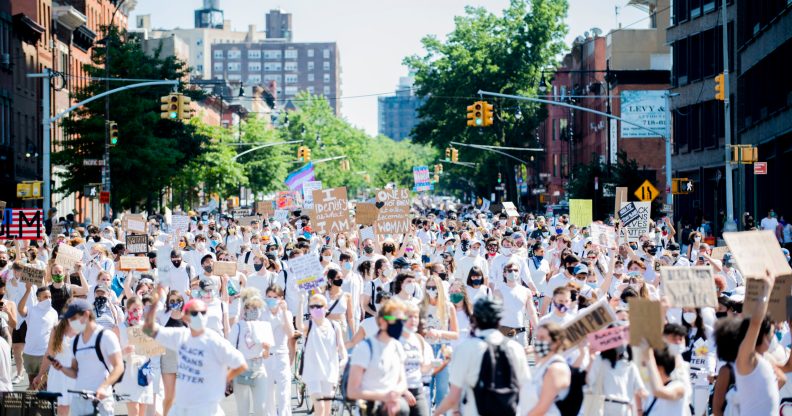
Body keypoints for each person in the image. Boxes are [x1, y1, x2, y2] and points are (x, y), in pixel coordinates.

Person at [142, 293, 247, 416]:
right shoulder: (181, 336)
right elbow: (149, 329)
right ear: (185, 317)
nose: (199, 316)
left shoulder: (215, 341)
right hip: (182, 407)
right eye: (194, 313)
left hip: (207, 408)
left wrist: (223, 380)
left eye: (203, 313)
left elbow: (241, 364)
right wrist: (155, 302)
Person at [433, 298, 532, 416]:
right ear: (499, 320)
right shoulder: (516, 348)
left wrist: (436, 413)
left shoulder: (465, 348)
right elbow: (526, 389)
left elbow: (454, 396)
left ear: (474, 320)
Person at [49, 299, 125, 416]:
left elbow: (119, 367)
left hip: (100, 400)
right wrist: (62, 368)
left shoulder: (106, 336)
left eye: (73, 319)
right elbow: (75, 372)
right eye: (69, 319)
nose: (70, 322)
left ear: (86, 314)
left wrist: (104, 387)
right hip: (78, 399)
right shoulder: (75, 341)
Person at [346, 299, 410, 416]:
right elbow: (352, 391)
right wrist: (384, 397)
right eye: (395, 320)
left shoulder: (397, 347)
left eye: (403, 320)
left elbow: (402, 381)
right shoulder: (365, 348)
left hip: (393, 407)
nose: (400, 324)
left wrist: (395, 394)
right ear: (382, 322)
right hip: (370, 409)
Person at [735, 271, 780, 415]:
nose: (772, 339)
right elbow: (755, 323)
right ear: (762, 336)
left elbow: (784, 376)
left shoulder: (767, 359)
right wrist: (767, 288)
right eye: (771, 335)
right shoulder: (747, 358)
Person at [299, 293, 348, 416]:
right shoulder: (309, 325)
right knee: (319, 407)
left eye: (319, 306)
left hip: (330, 371)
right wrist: (301, 302)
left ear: (326, 307)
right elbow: (299, 326)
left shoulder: (334, 326)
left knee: (327, 410)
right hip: (312, 372)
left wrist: (344, 359)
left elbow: (342, 348)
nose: (316, 309)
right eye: (312, 306)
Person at [229, 292, 273, 416]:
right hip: (241, 368)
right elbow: (230, 349)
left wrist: (266, 348)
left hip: (258, 367)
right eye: (249, 308)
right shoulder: (237, 327)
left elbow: (266, 355)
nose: (253, 311)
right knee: (243, 409)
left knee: (261, 408)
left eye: (256, 308)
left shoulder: (263, 326)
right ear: (244, 309)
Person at [116, 296, 154, 416]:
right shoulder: (119, 328)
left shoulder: (146, 327)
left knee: (143, 410)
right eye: (133, 309)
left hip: (144, 370)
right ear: (127, 310)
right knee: (134, 410)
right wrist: (124, 351)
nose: (137, 312)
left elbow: (153, 350)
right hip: (128, 372)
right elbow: (112, 354)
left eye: (139, 309)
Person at [261, 285, 294, 416]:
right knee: (267, 393)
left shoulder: (286, 313)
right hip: (266, 355)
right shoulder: (262, 313)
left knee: (284, 392)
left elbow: (290, 333)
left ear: (281, 298)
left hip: (282, 354)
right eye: (269, 297)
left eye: (275, 297)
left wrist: (284, 312)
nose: (271, 300)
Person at [525, 322, 571, 416]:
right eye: (537, 337)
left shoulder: (556, 368)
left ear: (555, 343)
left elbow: (542, 408)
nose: (538, 341)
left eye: (542, 338)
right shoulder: (542, 365)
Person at [18, 283, 58, 386]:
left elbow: (55, 333)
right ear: (38, 298)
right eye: (45, 297)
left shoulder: (53, 312)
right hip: (30, 352)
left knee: (43, 385)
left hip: (45, 354)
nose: (48, 299)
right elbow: (20, 309)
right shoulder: (31, 309)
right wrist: (27, 290)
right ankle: (32, 402)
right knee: (32, 383)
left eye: (49, 297)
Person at [34, 317, 76, 415]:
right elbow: (49, 353)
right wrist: (40, 375)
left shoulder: (84, 326)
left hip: (69, 374)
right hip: (62, 375)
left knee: (66, 409)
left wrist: (40, 375)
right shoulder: (58, 327)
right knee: (63, 408)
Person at [400, 303, 433, 416]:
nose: (414, 320)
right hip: (399, 392)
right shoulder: (394, 339)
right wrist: (404, 391)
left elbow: (422, 368)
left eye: (416, 316)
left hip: (418, 391)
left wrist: (436, 363)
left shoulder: (418, 339)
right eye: (410, 316)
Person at [159, 291, 187, 416]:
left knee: (183, 396)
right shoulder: (163, 316)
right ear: (168, 302)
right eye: (172, 300)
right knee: (169, 396)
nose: (175, 303)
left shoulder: (187, 316)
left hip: (184, 361)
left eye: (177, 300)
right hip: (167, 360)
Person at [642, 346, 689, 415]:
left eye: (649, 366)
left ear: (659, 368)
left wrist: (649, 357)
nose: (646, 369)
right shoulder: (651, 393)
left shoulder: (678, 387)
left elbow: (659, 391)